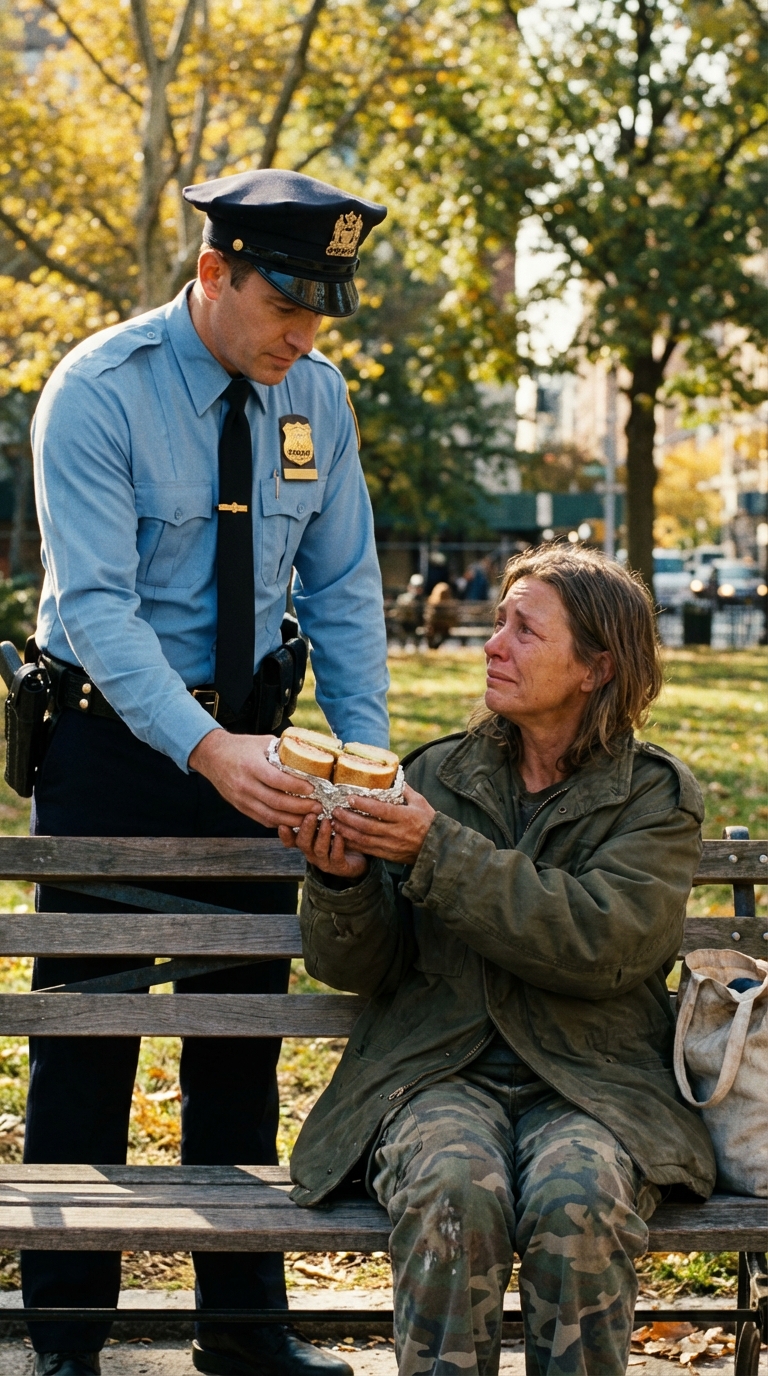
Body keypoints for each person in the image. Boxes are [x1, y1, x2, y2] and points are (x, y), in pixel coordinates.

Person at [26, 168, 390, 1376]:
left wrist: (366, 761)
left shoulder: (318, 400)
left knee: (238, 1047)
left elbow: (340, 592)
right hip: (112, 749)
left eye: (324, 309)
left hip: (262, 745)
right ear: (214, 272)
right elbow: (99, 609)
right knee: (91, 1042)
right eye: (287, 302)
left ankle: (242, 1325)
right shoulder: (97, 393)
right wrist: (202, 747)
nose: (307, 332)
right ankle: (69, 1333)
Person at [283, 545, 716, 1376]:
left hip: (592, 1082)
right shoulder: (434, 775)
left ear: (596, 668)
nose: (493, 644)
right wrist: (340, 881)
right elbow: (357, 970)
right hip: (435, 1071)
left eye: (524, 629)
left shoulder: (655, 797)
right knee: (453, 1188)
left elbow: (604, 942)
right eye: (498, 624)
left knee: (579, 1198)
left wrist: (434, 851)